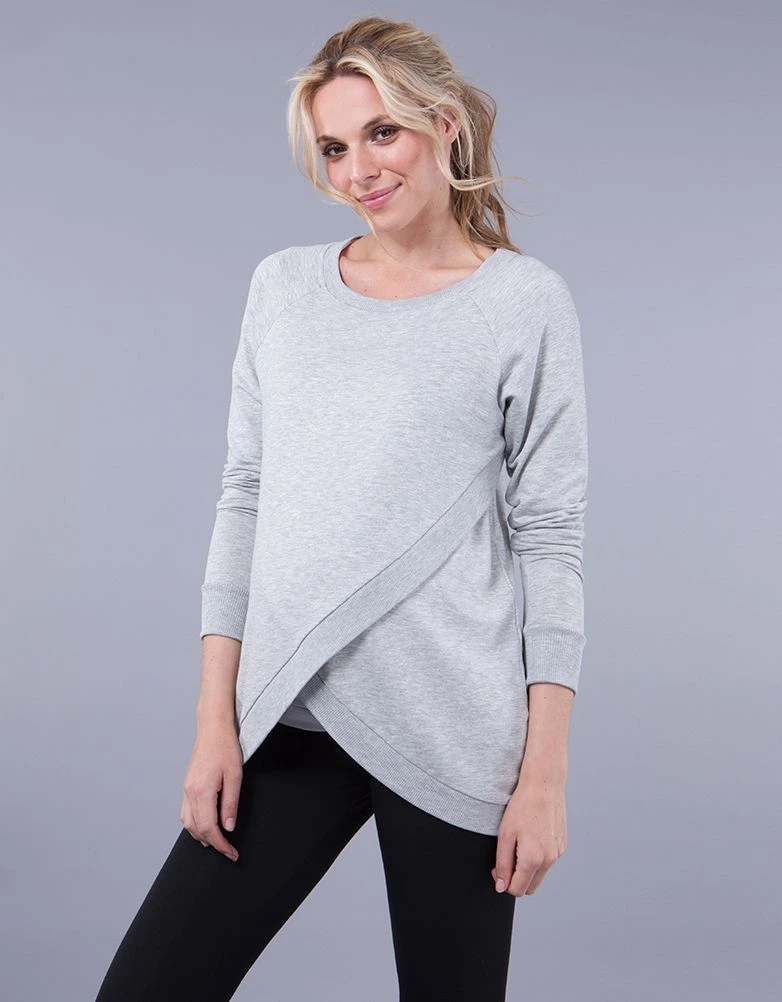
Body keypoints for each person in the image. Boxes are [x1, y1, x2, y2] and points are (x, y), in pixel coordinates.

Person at [93, 15, 588, 1002]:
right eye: (331, 147)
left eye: (381, 132)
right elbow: (244, 495)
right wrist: (215, 725)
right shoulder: (283, 288)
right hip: (294, 711)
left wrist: (543, 779)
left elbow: (550, 538)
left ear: (443, 125)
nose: (358, 169)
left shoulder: (522, 303)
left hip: (453, 720)